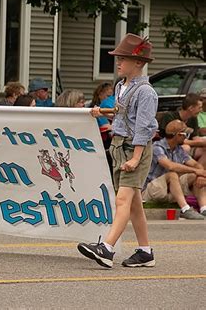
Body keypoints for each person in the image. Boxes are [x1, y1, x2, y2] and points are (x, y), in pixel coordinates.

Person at [78, 33, 158, 268]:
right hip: (119, 145)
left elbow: (144, 127)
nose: (118, 62)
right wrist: (101, 113)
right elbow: (122, 112)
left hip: (135, 148)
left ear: (139, 63)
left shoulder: (146, 92)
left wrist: (135, 157)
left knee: (122, 199)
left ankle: (107, 248)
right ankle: (145, 252)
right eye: (118, 57)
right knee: (133, 204)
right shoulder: (121, 86)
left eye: (123, 58)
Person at [142, 119, 206, 219]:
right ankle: (185, 209)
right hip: (152, 190)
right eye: (186, 134)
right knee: (172, 174)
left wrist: (200, 174)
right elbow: (170, 166)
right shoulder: (157, 147)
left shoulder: (178, 149)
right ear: (178, 135)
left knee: (195, 176)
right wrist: (195, 170)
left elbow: (195, 164)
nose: (186, 137)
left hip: (170, 190)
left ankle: (204, 209)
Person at [159, 93, 206, 168]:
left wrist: (202, 141)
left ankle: (199, 172)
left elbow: (195, 137)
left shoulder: (193, 118)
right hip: (171, 147)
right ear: (191, 108)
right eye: (199, 108)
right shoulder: (170, 117)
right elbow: (172, 139)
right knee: (186, 147)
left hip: (186, 146)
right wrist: (201, 142)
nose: (201, 110)